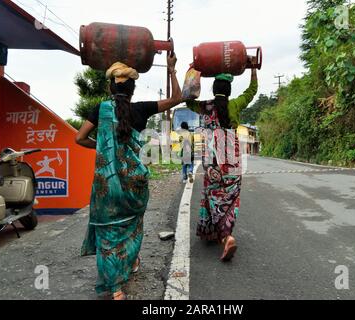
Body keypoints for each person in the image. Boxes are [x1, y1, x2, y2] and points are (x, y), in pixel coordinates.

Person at [75, 53, 182, 300]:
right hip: (135, 185)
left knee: (108, 234)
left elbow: (79, 138)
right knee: (132, 227)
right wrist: (171, 69)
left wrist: (101, 146)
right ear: (132, 89)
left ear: (110, 88)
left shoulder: (99, 110)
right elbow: (178, 98)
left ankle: (115, 289)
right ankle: (132, 262)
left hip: (107, 186)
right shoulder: (142, 109)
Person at [185, 66, 258, 262]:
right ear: (229, 90)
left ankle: (226, 237)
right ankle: (216, 232)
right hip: (232, 157)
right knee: (230, 195)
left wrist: (192, 75)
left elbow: (187, 100)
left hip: (212, 158)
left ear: (213, 88)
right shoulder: (235, 105)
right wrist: (252, 70)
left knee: (213, 193)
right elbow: (252, 91)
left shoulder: (206, 106)